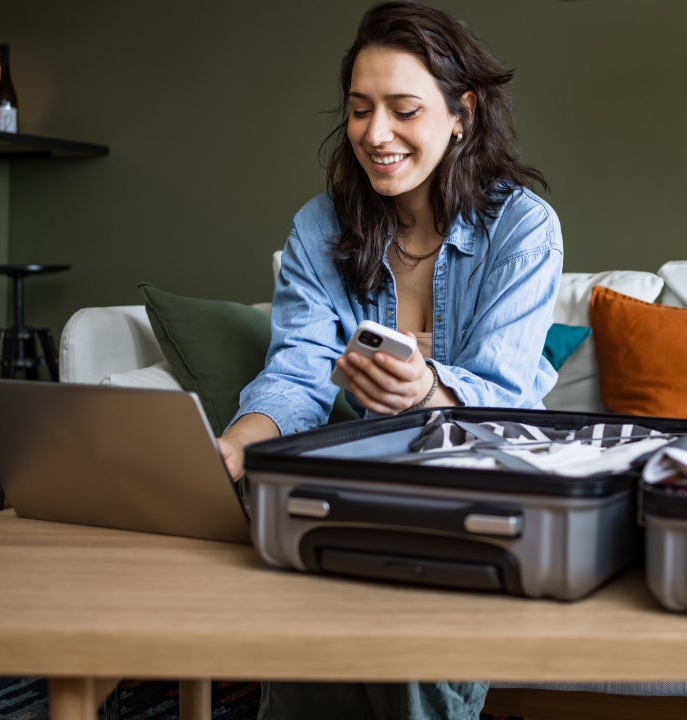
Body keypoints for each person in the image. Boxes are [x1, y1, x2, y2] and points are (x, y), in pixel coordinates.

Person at [218, 2, 562, 718]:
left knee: (411, 560)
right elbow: (297, 371)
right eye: (359, 110)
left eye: (404, 110)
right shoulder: (319, 227)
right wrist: (235, 447)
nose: (375, 134)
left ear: (462, 113)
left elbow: (500, 394)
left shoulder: (523, 227)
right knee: (288, 518)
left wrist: (426, 392)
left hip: (479, 480)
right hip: (357, 482)